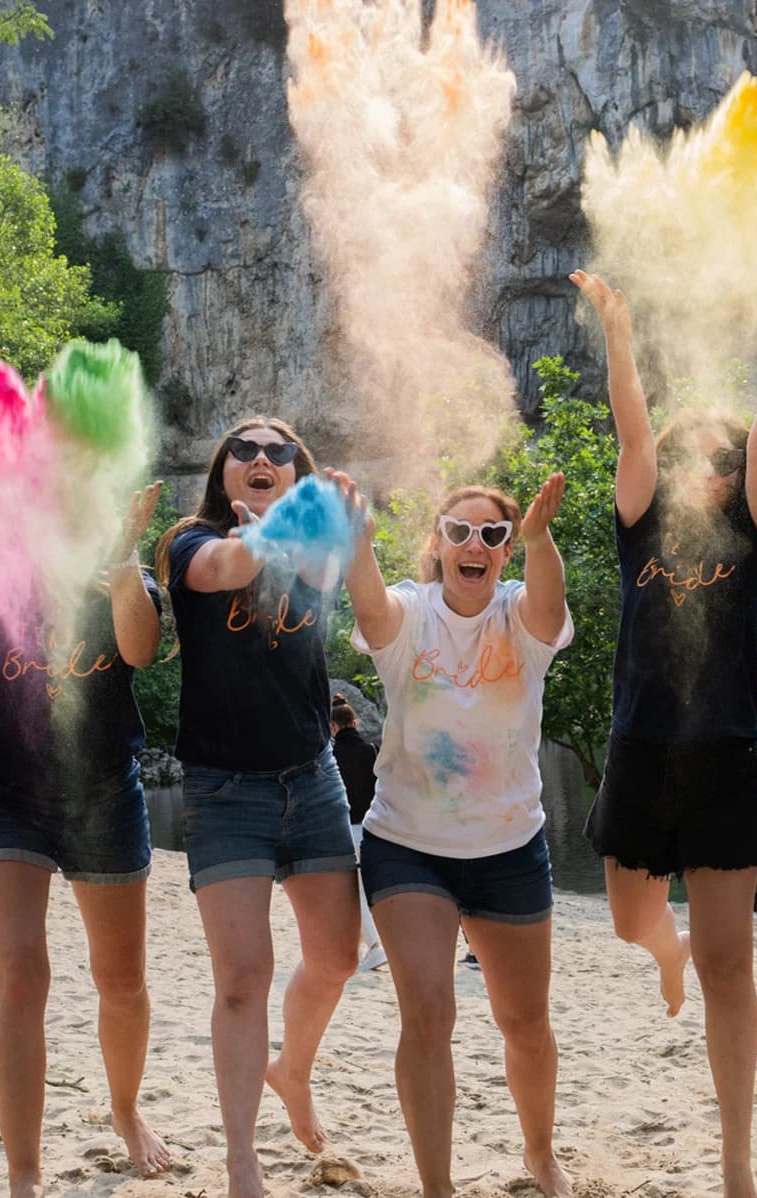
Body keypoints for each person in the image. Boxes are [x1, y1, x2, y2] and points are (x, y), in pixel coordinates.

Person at [570, 267, 757, 1198]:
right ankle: (665, 952)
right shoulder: (640, 528)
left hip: (724, 758)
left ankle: (736, 1161)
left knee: (732, 967)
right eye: (698, 455)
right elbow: (631, 426)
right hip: (639, 753)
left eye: (727, 460)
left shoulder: (754, 540)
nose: (714, 468)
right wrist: (619, 332)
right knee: (628, 921)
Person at [153, 417, 377, 1197]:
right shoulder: (189, 542)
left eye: (279, 452)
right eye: (242, 449)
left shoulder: (316, 551)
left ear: (296, 472)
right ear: (222, 471)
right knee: (244, 981)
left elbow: (349, 582)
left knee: (339, 957)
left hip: (311, 779)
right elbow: (229, 566)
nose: (259, 457)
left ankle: (293, 1070)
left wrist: (349, 525)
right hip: (222, 789)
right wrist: (277, 526)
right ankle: (242, 1162)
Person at [0, 482, 173, 1197]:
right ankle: (25, 1175)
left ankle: (124, 1110)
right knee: (21, 975)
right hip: (3, 794)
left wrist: (123, 556)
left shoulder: (122, 573)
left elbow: (140, 647)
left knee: (121, 982)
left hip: (104, 798)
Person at [347, 476, 575, 1198]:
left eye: (493, 534)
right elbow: (372, 610)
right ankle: (437, 1188)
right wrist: (358, 546)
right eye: (459, 531)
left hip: (509, 848)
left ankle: (540, 1152)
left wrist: (540, 539)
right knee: (428, 1014)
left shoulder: (521, 617)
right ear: (439, 545)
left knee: (525, 1022)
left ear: (505, 553)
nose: (474, 544)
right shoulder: (410, 612)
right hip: (407, 844)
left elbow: (550, 609)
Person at [330, 694, 386, 971]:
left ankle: (374, 946)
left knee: (354, 894)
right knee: (369, 890)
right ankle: (368, 946)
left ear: (332, 727)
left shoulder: (331, 757)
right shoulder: (371, 751)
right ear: (355, 722)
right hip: (372, 827)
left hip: (345, 830)